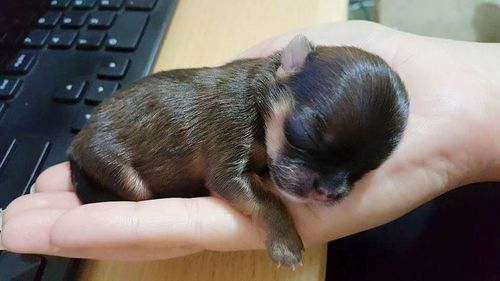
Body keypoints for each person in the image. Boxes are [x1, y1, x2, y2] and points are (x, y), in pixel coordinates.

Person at [1, 21, 499, 260]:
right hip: (109, 149)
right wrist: (279, 224)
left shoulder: (281, 96)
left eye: (355, 172)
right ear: (289, 66)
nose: (326, 190)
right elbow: (227, 174)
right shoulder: (234, 105)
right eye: (306, 136)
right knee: (135, 194)